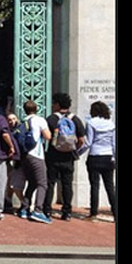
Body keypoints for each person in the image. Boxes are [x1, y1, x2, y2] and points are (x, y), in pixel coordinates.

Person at [43, 93, 86, 221]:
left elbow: (46, 137)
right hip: (69, 157)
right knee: (67, 184)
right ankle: (67, 211)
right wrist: (74, 149)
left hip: (53, 156)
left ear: (57, 104)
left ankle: (47, 210)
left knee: (50, 183)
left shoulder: (51, 119)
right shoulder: (75, 119)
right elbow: (82, 139)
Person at [78, 101, 116, 222]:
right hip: (108, 156)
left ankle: (93, 213)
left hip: (95, 155)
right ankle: (115, 213)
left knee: (95, 185)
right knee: (110, 186)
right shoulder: (111, 123)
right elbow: (114, 143)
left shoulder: (91, 123)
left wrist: (77, 153)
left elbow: (88, 142)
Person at [16, 101, 52, 224]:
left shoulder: (22, 121)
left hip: (25, 155)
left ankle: (24, 208)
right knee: (42, 183)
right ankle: (38, 210)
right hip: (36, 154)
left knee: (32, 182)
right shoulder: (40, 120)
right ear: (36, 109)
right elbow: (48, 136)